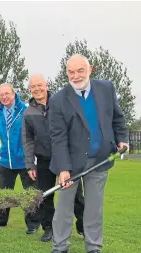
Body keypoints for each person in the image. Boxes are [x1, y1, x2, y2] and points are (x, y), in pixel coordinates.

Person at [47, 54, 129, 253]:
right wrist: (63, 168)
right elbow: (58, 137)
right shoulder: (57, 100)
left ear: (89, 69)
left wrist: (122, 139)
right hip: (71, 164)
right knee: (64, 206)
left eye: (80, 71)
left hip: (100, 158)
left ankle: (93, 247)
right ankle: (60, 246)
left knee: (94, 206)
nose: (75, 76)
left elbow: (118, 118)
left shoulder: (106, 89)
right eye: (71, 72)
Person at [22, 74, 85, 242]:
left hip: (65, 157)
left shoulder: (60, 103)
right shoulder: (28, 113)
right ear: (30, 90)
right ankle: (49, 228)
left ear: (46, 85)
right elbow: (27, 140)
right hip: (43, 159)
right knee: (45, 196)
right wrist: (30, 165)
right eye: (33, 87)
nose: (36, 89)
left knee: (75, 195)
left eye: (39, 85)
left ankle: (83, 226)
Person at [0, 83, 38, 233]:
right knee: (5, 192)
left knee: (30, 194)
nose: (4, 97)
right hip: (6, 160)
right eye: (1, 94)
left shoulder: (25, 109)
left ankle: (32, 225)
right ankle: (1, 220)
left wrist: (31, 158)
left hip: (24, 160)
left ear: (14, 94)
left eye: (7, 93)